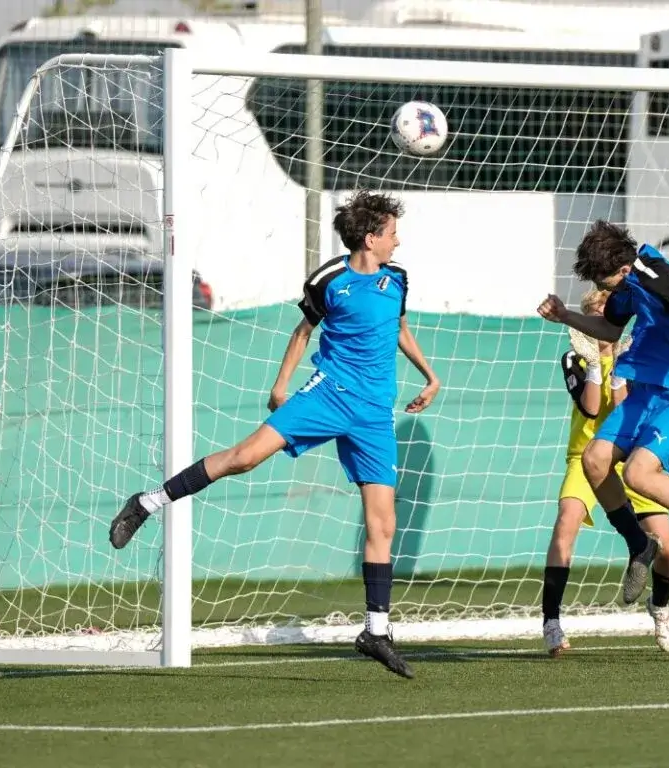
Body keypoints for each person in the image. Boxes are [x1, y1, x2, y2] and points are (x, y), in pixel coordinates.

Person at [107, 190, 441, 679]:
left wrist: (429, 376)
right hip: (328, 394)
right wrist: (281, 385)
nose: (398, 240)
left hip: (374, 413)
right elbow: (303, 333)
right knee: (245, 457)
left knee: (383, 524)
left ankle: (375, 630)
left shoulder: (398, 279)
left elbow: (399, 329)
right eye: (391, 233)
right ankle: (148, 501)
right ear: (370, 239)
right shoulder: (330, 281)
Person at [538, 220, 669, 652]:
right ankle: (639, 546)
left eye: (605, 279)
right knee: (595, 458)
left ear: (620, 267)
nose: (605, 287)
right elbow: (612, 331)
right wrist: (566, 316)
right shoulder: (624, 286)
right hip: (648, 387)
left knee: (638, 472)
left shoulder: (654, 273)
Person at [541, 290, 669, 656]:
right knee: (566, 521)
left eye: (607, 314)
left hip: (627, 456)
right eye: (595, 314)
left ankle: (660, 610)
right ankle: (551, 622)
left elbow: (621, 409)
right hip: (586, 456)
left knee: (668, 547)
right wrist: (597, 364)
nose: (602, 322)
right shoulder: (574, 358)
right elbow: (591, 407)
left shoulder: (633, 354)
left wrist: (618, 366)